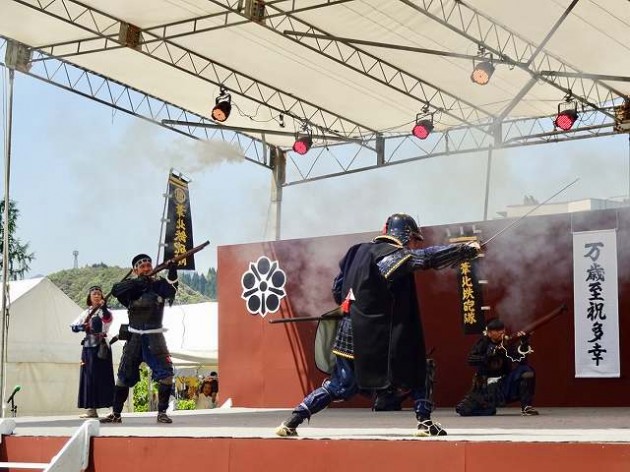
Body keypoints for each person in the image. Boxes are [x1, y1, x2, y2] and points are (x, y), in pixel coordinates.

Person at [275, 213, 481, 437]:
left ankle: (293, 420)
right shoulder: (389, 254)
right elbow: (422, 258)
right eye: (414, 239)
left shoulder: (356, 253)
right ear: (405, 235)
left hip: (350, 332)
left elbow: (338, 290)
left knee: (341, 385)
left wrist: (362, 303)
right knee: (419, 370)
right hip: (379, 335)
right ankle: (424, 423)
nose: (414, 245)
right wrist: (464, 250)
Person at [100, 253, 178, 424]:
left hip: (154, 338)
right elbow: (116, 290)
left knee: (166, 375)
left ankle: (162, 412)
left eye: (148, 265)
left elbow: (172, 289)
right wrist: (139, 282)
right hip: (134, 338)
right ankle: (116, 413)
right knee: (123, 377)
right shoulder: (131, 288)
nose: (146, 268)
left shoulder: (159, 285)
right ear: (135, 270)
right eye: (142, 266)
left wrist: (172, 270)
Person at [455, 318, 539, 417]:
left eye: (502, 329)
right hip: (485, 387)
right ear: (489, 333)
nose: (501, 332)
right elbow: (471, 360)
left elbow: (521, 361)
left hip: (504, 384)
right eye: (497, 330)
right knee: (463, 409)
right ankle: (488, 409)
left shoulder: (507, 344)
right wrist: (489, 356)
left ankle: (526, 407)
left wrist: (524, 343)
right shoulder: (483, 343)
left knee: (526, 372)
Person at [70, 285, 115, 419]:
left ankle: (114, 410)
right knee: (89, 378)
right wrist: (82, 327)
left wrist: (104, 307)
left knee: (105, 377)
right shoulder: (86, 312)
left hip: (102, 347)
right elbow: (73, 327)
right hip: (88, 347)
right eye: (94, 294)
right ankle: (91, 410)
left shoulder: (105, 311)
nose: (96, 296)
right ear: (89, 297)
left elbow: (107, 319)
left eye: (99, 294)